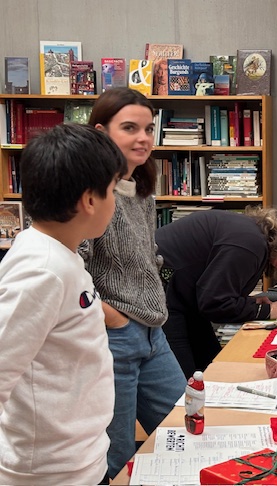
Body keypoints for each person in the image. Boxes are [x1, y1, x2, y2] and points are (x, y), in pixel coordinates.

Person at [0, 124, 127, 484]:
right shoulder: (42, 270)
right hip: (49, 473)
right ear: (89, 201)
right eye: (112, 191)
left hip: (80, 458)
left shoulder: (61, 256)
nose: (115, 202)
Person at [78, 87, 187, 479]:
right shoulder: (90, 193)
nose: (143, 138)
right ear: (101, 132)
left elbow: (148, 252)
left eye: (149, 129)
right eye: (129, 128)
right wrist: (114, 319)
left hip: (153, 333)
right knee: (116, 453)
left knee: (183, 429)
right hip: (114, 337)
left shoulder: (140, 187)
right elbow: (73, 270)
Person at [155, 206, 277, 378]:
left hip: (183, 296)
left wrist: (252, 303)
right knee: (184, 382)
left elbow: (215, 292)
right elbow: (214, 304)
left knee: (212, 369)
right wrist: (269, 311)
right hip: (162, 293)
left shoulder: (253, 236)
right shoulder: (249, 245)